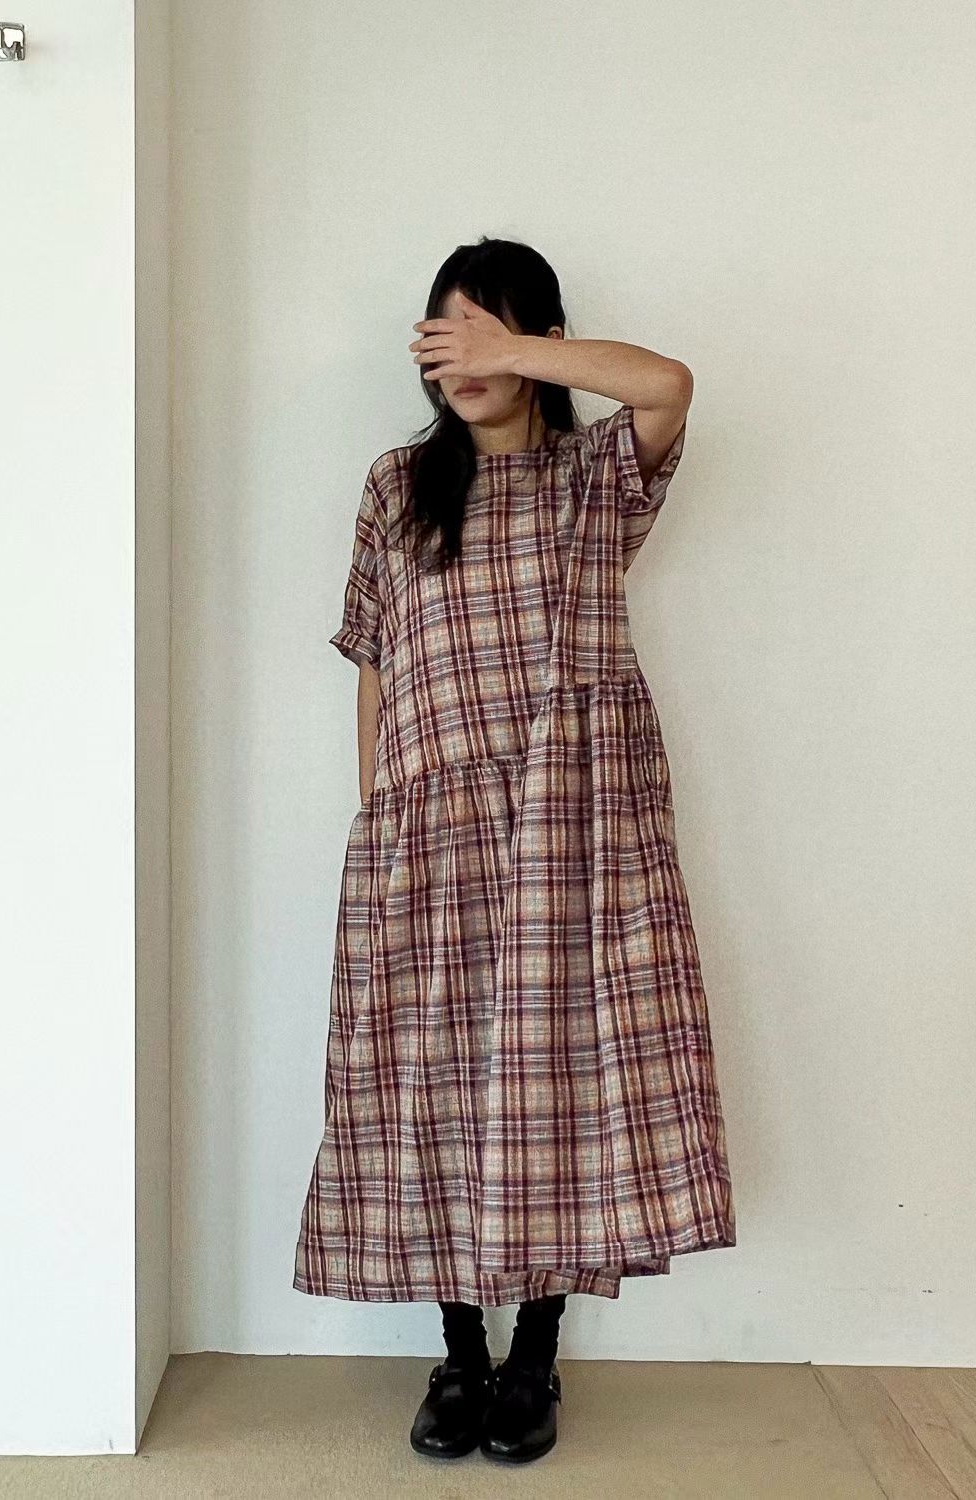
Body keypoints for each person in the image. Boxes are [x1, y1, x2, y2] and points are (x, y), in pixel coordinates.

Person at [294, 237, 736, 1464]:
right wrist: (375, 808)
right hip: (426, 823)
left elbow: (668, 384)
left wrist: (518, 352)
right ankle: (457, 1353)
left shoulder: (594, 473)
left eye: (485, 330)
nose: (464, 356)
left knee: (556, 1081)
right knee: (431, 1077)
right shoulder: (397, 485)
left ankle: (534, 1354)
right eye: (445, 333)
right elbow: (375, 659)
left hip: (572, 821)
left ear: (535, 336)